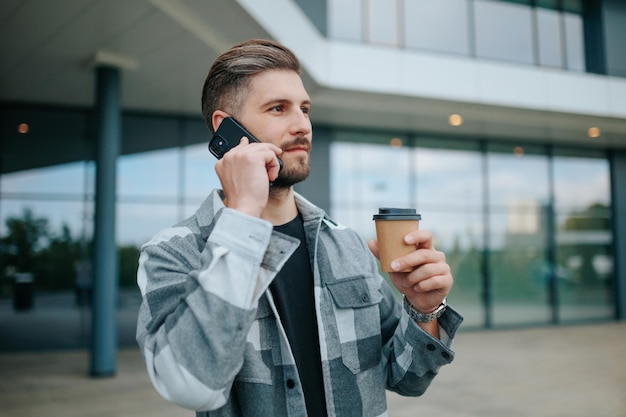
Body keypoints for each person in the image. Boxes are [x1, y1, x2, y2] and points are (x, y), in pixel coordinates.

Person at [136, 39, 463, 417]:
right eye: (278, 109)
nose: (302, 125)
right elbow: (192, 386)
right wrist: (242, 214)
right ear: (225, 128)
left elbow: (406, 379)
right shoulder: (175, 252)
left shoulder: (346, 245)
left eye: (304, 109)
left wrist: (424, 311)